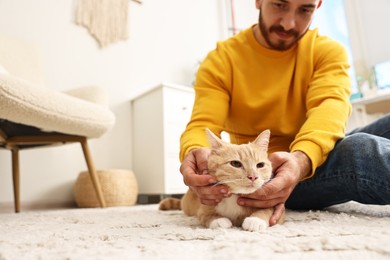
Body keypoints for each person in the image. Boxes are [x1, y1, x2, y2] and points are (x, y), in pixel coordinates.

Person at [178, 0, 390, 226]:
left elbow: (330, 107)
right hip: (267, 174)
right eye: (280, 4)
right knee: (360, 151)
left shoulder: (327, 51)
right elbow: (202, 125)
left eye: (305, 9)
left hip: (306, 158)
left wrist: (300, 161)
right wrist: (194, 153)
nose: (289, 24)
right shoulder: (221, 60)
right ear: (259, 1)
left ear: (318, 6)